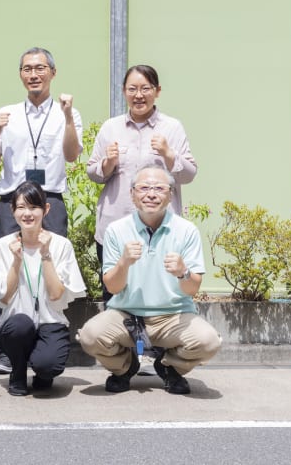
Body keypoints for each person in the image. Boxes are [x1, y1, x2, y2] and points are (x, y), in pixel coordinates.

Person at [86, 64, 197, 374]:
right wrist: (107, 162)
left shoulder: (172, 127)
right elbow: (93, 173)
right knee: (117, 298)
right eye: (132, 89)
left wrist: (169, 154)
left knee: (164, 296)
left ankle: (166, 364)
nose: (139, 95)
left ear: (157, 92)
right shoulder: (110, 127)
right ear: (124, 92)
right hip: (116, 227)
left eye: (145, 88)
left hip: (160, 231)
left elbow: (189, 174)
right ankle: (124, 366)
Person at [77, 166, 221, 395]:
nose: (151, 194)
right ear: (132, 194)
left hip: (172, 315)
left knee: (208, 341)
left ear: (170, 194)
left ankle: (169, 368)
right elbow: (112, 287)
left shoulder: (186, 231)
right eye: (144, 188)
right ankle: (125, 368)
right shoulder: (116, 230)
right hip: (126, 314)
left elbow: (192, 289)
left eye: (159, 188)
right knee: (90, 336)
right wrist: (123, 262)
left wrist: (183, 271)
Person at [0, 46, 83, 374]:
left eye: (40, 68)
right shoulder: (7, 113)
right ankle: (6, 348)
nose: (34, 74)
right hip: (12, 200)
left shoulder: (68, 112)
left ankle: (47, 342)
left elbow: (71, 156)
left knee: (49, 269)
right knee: (9, 270)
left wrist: (68, 116)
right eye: (27, 68)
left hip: (50, 199)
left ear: (53, 72)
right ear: (21, 75)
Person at [0, 181, 86, 396]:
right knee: (20, 324)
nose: (27, 213)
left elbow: (57, 294)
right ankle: (18, 371)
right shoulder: (4, 245)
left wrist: (46, 253)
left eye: (33, 207)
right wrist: (16, 261)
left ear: (45, 210)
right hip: (16, 324)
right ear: (12, 211)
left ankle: (42, 372)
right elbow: (4, 298)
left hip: (50, 321)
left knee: (48, 366)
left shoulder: (60, 244)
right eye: (21, 207)